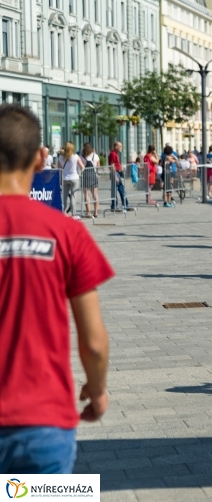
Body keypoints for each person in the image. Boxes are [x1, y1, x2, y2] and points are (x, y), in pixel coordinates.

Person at [0, 104, 113, 473]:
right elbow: (93, 340)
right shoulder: (67, 233)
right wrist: (97, 390)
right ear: (39, 159)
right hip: (44, 424)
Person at [59, 142, 84, 217]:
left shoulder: (60, 157)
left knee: (64, 197)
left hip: (65, 178)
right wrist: (79, 173)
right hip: (74, 178)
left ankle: (63, 213)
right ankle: (74, 214)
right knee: (73, 196)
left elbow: (59, 169)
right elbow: (82, 167)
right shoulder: (76, 156)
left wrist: (60, 179)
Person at [81, 143, 100, 218]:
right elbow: (98, 166)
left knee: (86, 194)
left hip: (85, 176)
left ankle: (88, 212)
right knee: (95, 195)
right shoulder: (95, 156)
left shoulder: (82, 157)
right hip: (94, 176)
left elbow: (80, 167)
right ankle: (96, 212)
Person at [108, 141, 127, 211]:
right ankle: (117, 205)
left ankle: (122, 204)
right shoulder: (113, 154)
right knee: (118, 190)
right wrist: (115, 176)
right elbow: (112, 165)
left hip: (117, 173)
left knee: (120, 189)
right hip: (115, 173)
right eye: (120, 146)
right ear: (116, 147)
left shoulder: (116, 153)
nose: (121, 147)